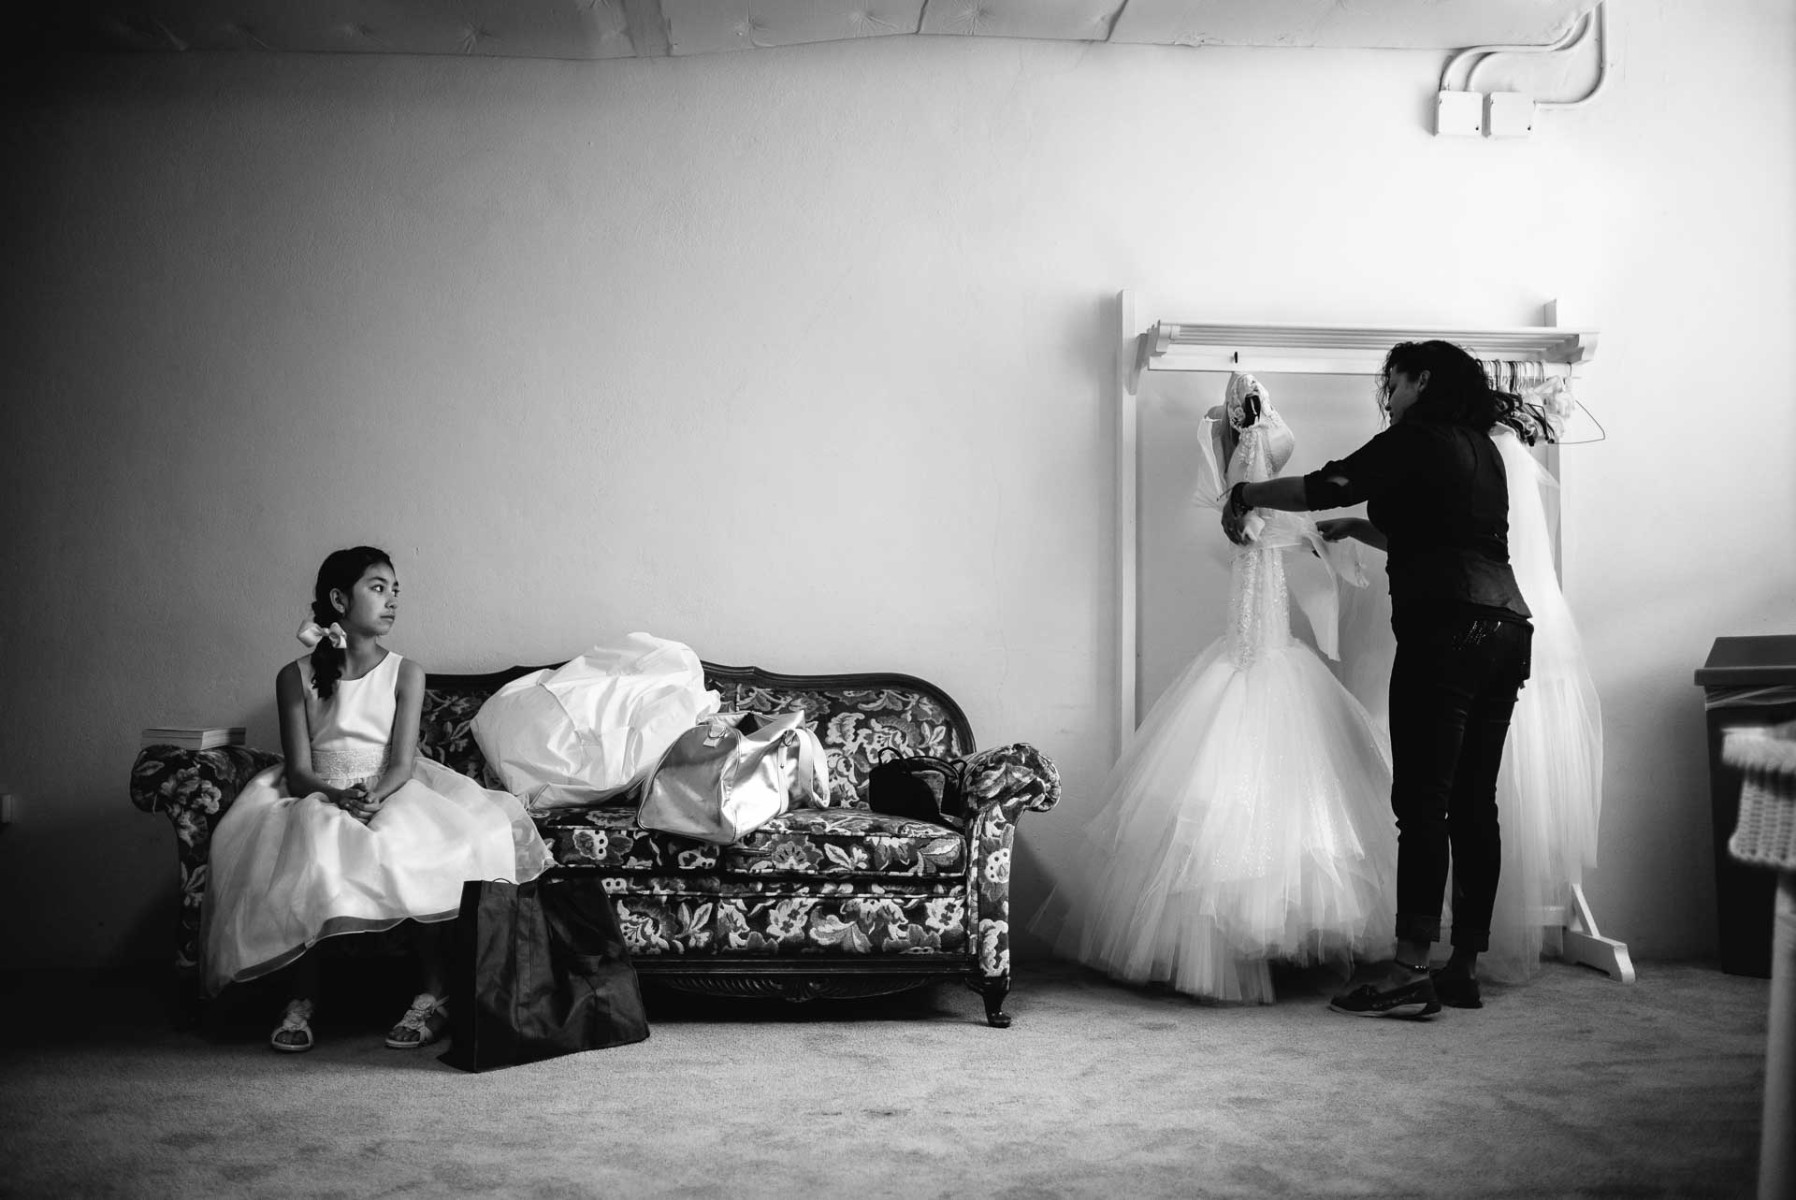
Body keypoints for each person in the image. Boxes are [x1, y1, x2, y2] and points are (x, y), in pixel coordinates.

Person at [1036, 373, 1397, 1004]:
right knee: (1228, 789)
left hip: (1267, 635)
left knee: (1279, 787)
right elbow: (1253, 522)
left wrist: (1305, 533)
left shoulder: (1249, 431)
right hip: (1253, 633)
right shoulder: (1233, 435)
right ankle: (1232, 950)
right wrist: (1296, 532)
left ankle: (1268, 947)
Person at [1222, 340, 1534, 1019]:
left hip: (1445, 631)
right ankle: (1463, 968)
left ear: (1420, 380)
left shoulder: (1415, 437)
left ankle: (1408, 969)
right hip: (1507, 628)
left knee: (1423, 800)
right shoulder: (1483, 450)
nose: (1386, 397)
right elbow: (1451, 539)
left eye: (1390, 383)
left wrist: (1245, 491)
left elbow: (1325, 482)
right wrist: (1363, 529)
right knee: (1475, 800)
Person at [202, 546, 555, 1052]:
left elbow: (402, 763)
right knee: (314, 854)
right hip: (319, 793)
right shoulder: (294, 675)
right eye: (378, 588)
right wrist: (337, 796)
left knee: (416, 851)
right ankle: (302, 997)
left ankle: (432, 995)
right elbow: (299, 772)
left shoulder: (406, 671)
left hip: (390, 789)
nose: (392, 601)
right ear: (339, 599)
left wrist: (373, 796)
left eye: (395, 591)